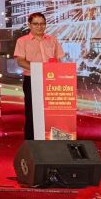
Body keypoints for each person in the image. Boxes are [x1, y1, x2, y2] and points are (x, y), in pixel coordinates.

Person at [13, 12, 66, 140]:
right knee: (32, 112)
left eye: (42, 24)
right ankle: (31, 144)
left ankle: (52, 140)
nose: (39, 27)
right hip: (32, 80)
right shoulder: (22, 41)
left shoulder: (52, 40)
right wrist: (37, 69)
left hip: (51, 80)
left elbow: (60, 59)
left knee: (51, 112)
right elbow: (20, 60)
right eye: (36, 24)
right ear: (29, 25)